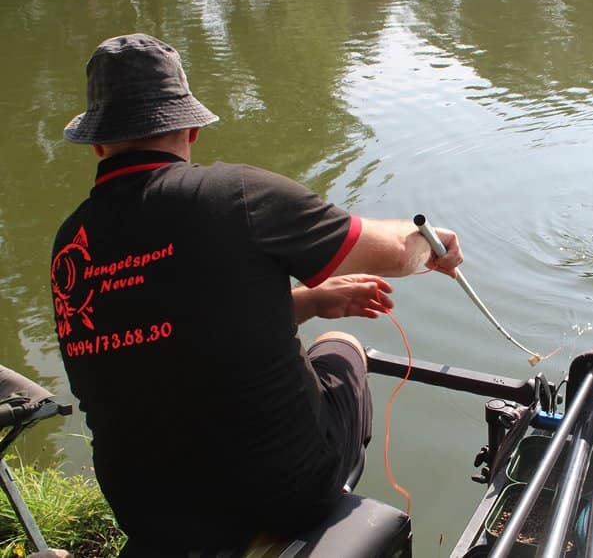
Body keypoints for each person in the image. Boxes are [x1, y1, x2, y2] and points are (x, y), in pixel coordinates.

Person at [49, 34, 463, 555]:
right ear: (189, 127)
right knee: (341, 347)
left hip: (148, 512)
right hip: (283, 494)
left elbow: (163, 330)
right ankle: (312, 519)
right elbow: (395, 253)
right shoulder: (239, 196)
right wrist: (437, 244)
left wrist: (310, 301)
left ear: (99, 144)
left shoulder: (72, 242)